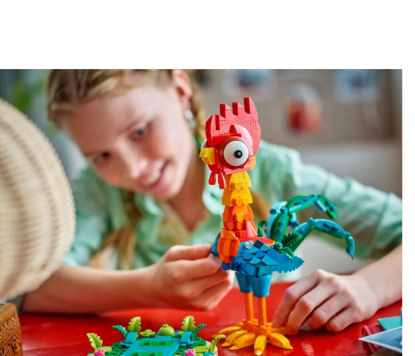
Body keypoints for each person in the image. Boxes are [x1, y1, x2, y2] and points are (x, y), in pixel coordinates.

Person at [22, 69, 402, 336]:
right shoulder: (98, 190)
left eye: (140, 131)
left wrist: (368, 288)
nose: (133, 168)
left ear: (180, 90)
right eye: (101, 156)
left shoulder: (273, 171)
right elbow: (30, 285)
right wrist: (146, 287)